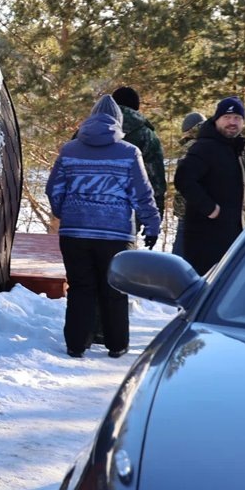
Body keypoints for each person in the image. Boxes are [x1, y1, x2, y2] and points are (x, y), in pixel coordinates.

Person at [46, 94, 160, 358]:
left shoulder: (69, 150)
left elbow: (54, 189)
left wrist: (65, 212)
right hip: (116, 233)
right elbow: (142, 194)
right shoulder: (129, 152)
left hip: (75, 233)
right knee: (115, 289)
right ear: (118, 122)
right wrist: (151, 224)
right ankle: (116, 345)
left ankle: (76, 344)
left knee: (80, 287)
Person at [173, 96, 245, 275]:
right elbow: (183, 179)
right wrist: (210, 209)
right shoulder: (204, 147)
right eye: (227, 117)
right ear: (216, 119)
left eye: (237, 118)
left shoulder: (244, 149)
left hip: (239, 235)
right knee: (206, 296)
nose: (232, 122)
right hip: (207, 239)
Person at [110, 86, 167, 218]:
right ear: (136, 106)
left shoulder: (87, 130)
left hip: (84, 210)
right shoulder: (146, 135)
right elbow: (155, 178)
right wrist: (156, 214)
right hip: (128, 213)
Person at [170, 111, 205, 258]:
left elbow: (184, 180)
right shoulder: (208, 143)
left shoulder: (190, 146)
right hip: (202, 208)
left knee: (180, 253)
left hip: (188, 208)